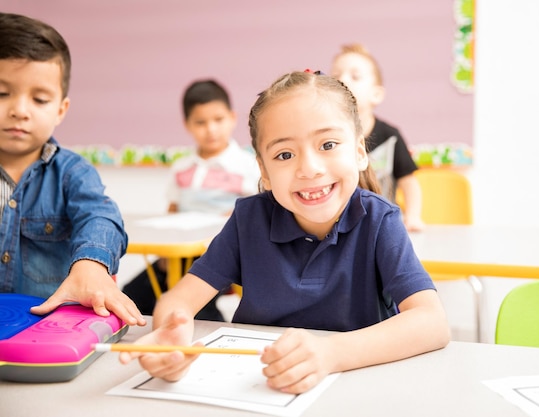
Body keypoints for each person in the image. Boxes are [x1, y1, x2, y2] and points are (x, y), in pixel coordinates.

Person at [119, 70, 450, 394]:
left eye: (328, 144)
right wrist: (172, 335)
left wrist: (330, 354)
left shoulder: (380, 220)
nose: (309, 168)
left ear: (360, 152)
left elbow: (432, 323)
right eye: (285, 154)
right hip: (259, 388)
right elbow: (178, 301)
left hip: (355, 389)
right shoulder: (249, 220)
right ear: (264, 169)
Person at [0, 13, 145, 326]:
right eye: (2, 93)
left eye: (39, 99)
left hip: (47, 330)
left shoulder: (72, 173)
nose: (19, 111)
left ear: (60, 110)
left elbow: (101, 216)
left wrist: (92, 264)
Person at [122, 79, 259, 320]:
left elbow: (256, 212)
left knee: (198, 308)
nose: (211, 129)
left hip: (224, 254)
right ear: (187, 125)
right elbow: (173, 210)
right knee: (133, 295)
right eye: (201, 122)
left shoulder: (247, 166)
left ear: (233, 117)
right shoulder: (181, 167)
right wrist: (165, 252)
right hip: (180, 253)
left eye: (218, 120)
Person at [330, 43, 424, 231]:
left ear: (376, 94)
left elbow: (409, 183)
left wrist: (413, 216)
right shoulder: (327, 138)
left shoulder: (391, 136)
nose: (342, 81)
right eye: (335, 77)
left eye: (355, 76)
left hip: (382, 226)